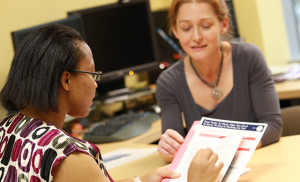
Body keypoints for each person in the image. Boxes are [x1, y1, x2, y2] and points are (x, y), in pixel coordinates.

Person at [0, 24, 223, 182]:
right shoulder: (68, 156)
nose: (96, 85)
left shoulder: (7, 128)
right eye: (92, 74)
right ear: (66, 80)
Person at [156, 0, 283, 162]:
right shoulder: (168, 82)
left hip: (260, 164)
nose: (196, 37)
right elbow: (175, 147)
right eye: (186, 28)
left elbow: (272, 126)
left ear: (223, 24)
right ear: (175, 31)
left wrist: (221, 148)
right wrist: (169, 148)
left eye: (206, 26)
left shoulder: (250, 58)